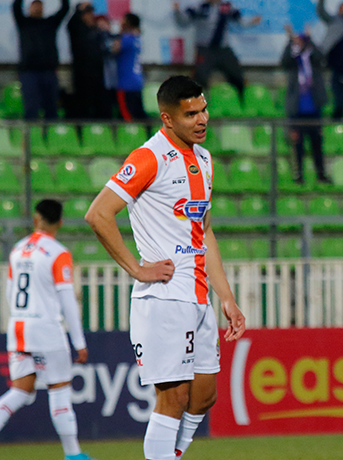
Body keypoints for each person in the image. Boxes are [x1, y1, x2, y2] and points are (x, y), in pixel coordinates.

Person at [84, 76, 246, 460]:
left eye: (204, 109)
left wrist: (228, 297)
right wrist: (137, 270)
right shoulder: (148, 157)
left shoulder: (204, 160)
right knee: (172, 399)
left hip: (200, 294)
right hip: (164, 297)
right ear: (168, 119)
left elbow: (204, 231)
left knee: (204, 397)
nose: (202, 119)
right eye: (191, 114)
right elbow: (98, 214)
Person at [0, 199, 96, 460]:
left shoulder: (18, 250)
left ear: (35, 219)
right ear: (61, 222)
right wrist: (79, 342)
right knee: (60, 389)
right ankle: (73, 455)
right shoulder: (57, 252)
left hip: (18, 327)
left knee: (20, 390)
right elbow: (67, 301)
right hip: (45, 329)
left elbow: (10, 292)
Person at [173, 0, 260, 99]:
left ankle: (241, 101)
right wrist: (177, 12)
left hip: (223, 49)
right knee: (200, 76)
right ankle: (196, 102)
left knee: (237, 75)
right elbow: (183, 22)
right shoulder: (199, 7)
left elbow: (240, 21)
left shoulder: (227, 6)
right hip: (205, 49)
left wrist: (252, 22)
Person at [281, 26, 331, 185]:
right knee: (298, 146)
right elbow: (284, 60)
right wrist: (290, 41)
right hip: (297, 111)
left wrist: (310, 40)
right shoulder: (293, 62)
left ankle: (321, 174)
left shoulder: (312, 60)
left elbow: (321, 57)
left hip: (314, 109)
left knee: (317, 144)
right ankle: (299, 175)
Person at [12, 0, 70, 120]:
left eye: (40, 6)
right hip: (29, 73)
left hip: (49, 72)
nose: (38, 9)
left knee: (51, 109)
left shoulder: (50, 23)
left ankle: (51, 137)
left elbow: (65, 9)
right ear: (29, 9)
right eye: (35, 6)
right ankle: (31, 137)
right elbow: (16, 6)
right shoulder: (23, 22)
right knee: (31, 108)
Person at [68, 2, 112, 119]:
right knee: (84, 103)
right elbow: (71, 23)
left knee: (100, 103)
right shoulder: (77, 30)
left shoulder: (97, 31)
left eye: (91, 13)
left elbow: (107, 47)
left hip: (98, 74)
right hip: (82, 74)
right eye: (86, 13)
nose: (90, 16)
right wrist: (79, 9)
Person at [114, 13, 148, 121]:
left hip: (126, 83)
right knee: (139, 115)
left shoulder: (126, 39)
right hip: (137, 81)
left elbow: (114, 49)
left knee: (127, 116)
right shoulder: (137, 39)